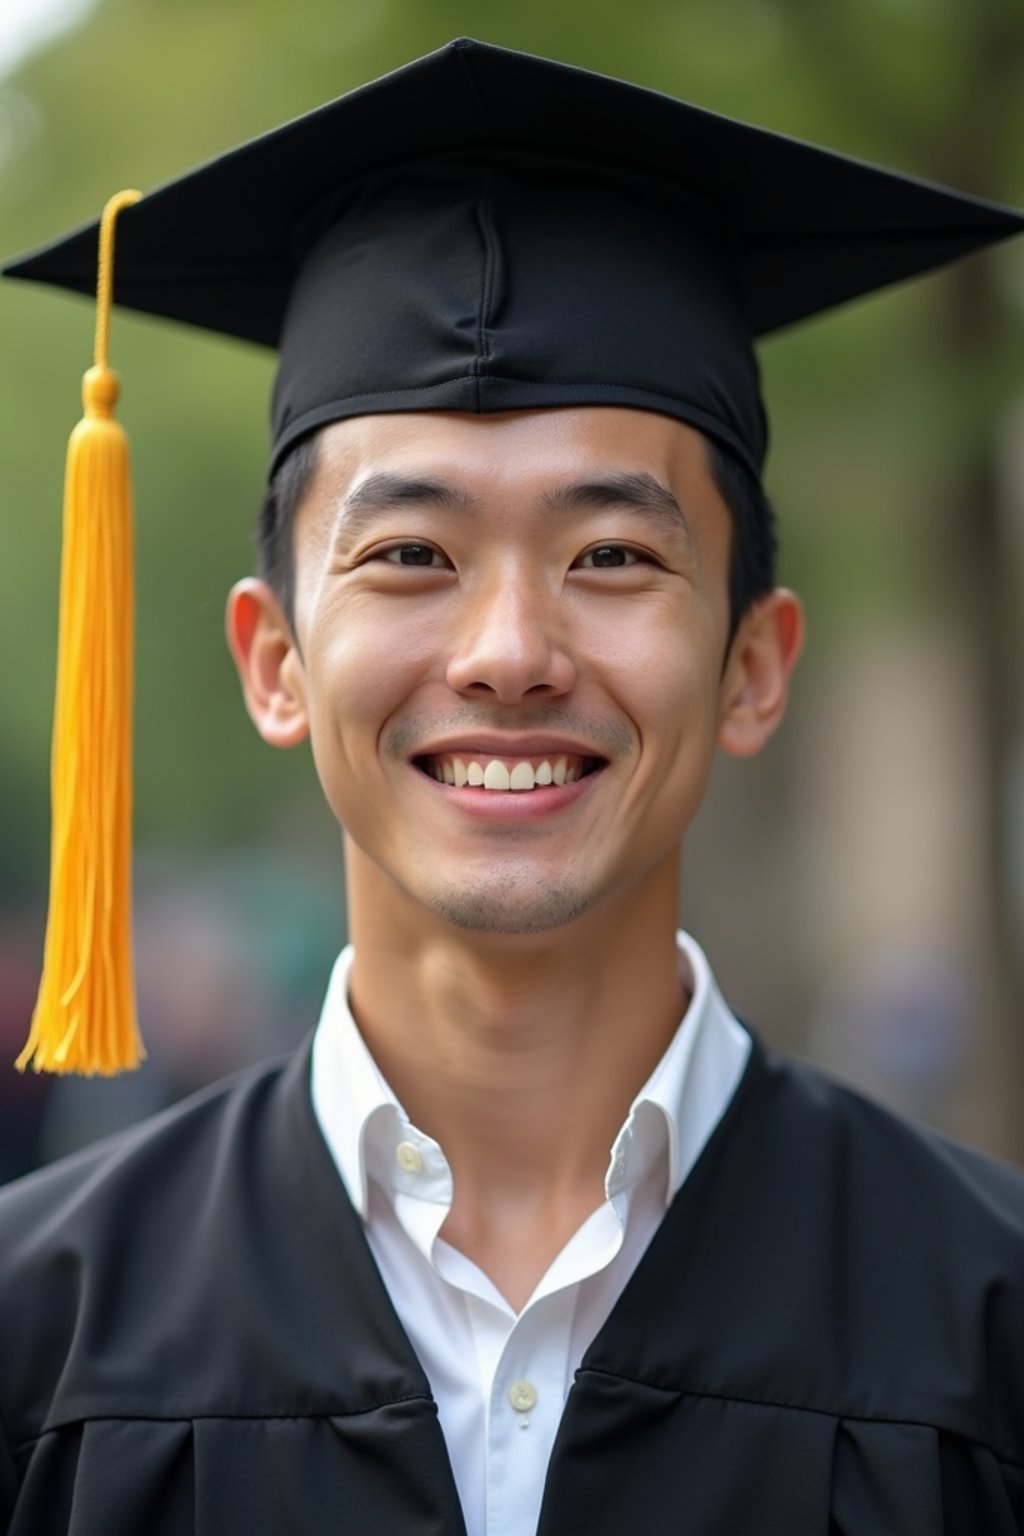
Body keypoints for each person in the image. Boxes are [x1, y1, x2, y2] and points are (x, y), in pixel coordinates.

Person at [1, 38, 1022, 1536]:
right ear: (274, 660)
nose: (509, 653)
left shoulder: (988, 1333)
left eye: (611, 556)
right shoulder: (39, 1342)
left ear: (754, 663)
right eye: (411, 555)